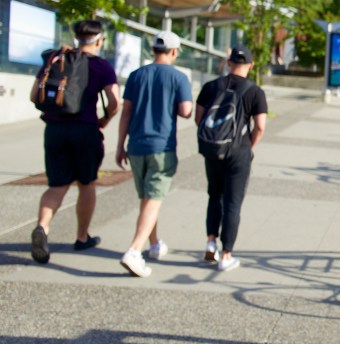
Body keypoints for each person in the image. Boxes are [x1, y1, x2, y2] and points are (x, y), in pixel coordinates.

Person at [29, 19, 120, 264]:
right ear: (99, 40)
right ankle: (82, 237)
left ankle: (42, 228)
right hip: (85, 131)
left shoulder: (57, 60)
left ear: (77, 38)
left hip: (55, 129)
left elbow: (33, 94)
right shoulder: (101, 66)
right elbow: (114, 101)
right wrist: (105, 119)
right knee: (86, 183)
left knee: (57, 185)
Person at [115, 31, 193, 277]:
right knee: (154, 198)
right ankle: (134, 250)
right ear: (174, 51)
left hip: (136, 146)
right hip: (162, 146)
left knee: (148, 198)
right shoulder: (179, 77)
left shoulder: (137, 76)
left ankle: (154, 244)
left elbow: (125, 112)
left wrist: (120, 145)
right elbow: (186, 111)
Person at [195, 45, 268, 272]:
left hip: (213, 150)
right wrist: (248, 146)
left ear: (228, 63)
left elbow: (199, 119)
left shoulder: (210, 87)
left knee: (214, 194)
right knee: (233, 203)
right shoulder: (255, 92)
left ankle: (210, 242)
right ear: (251, 65)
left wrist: (216, 138)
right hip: (239, 151)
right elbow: (260, 127)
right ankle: (226, 255)